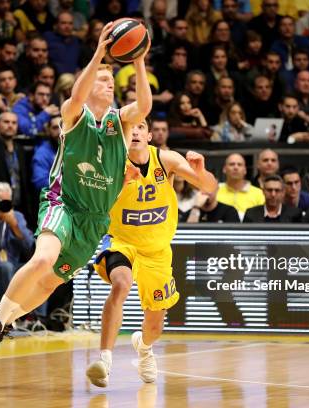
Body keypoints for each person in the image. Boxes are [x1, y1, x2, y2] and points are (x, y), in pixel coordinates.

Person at [0, 22, 153, 357]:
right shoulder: (74, 115)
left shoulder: (121, 123)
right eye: (103, 79)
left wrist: (139, 59)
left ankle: (10, 320)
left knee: (52, 280)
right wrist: (100, 52)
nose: (109, 84)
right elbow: (76, 96)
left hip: (95, 219)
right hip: (63, 204)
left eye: (112, 80)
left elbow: (143, 107)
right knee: (43, 260)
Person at [85, 118, 217, 387]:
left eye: (140, 126)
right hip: (121, 242)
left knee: (155, 327)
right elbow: (95, 208)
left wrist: (201, 171)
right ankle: (105, 361)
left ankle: (144, 349)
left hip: (157, 251)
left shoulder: (166, 160)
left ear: (149, 135)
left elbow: (210, 187)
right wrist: (122, 182)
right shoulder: (109, 163)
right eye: (128, 127)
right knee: (121, 283)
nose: (134, 130)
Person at [216, 153, 264, 219]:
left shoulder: (259, 193)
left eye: (239, 165)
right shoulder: (215, 190)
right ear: (224, 169)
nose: (236, 167)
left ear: (245, 170)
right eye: (232, 164)